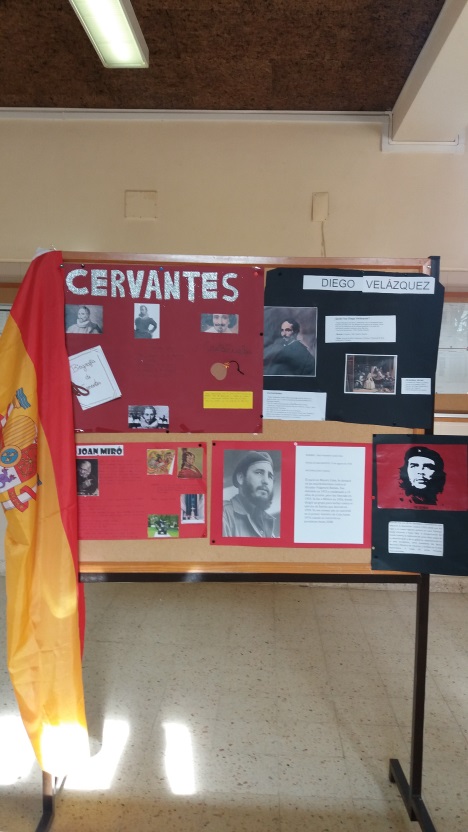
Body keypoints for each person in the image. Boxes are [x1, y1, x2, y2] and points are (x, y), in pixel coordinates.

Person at [223, 450, 277, 537]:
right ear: (241, 478)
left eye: (270, 476)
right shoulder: (223, 515)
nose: (266, 481)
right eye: (259, 472)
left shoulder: (266, 525)